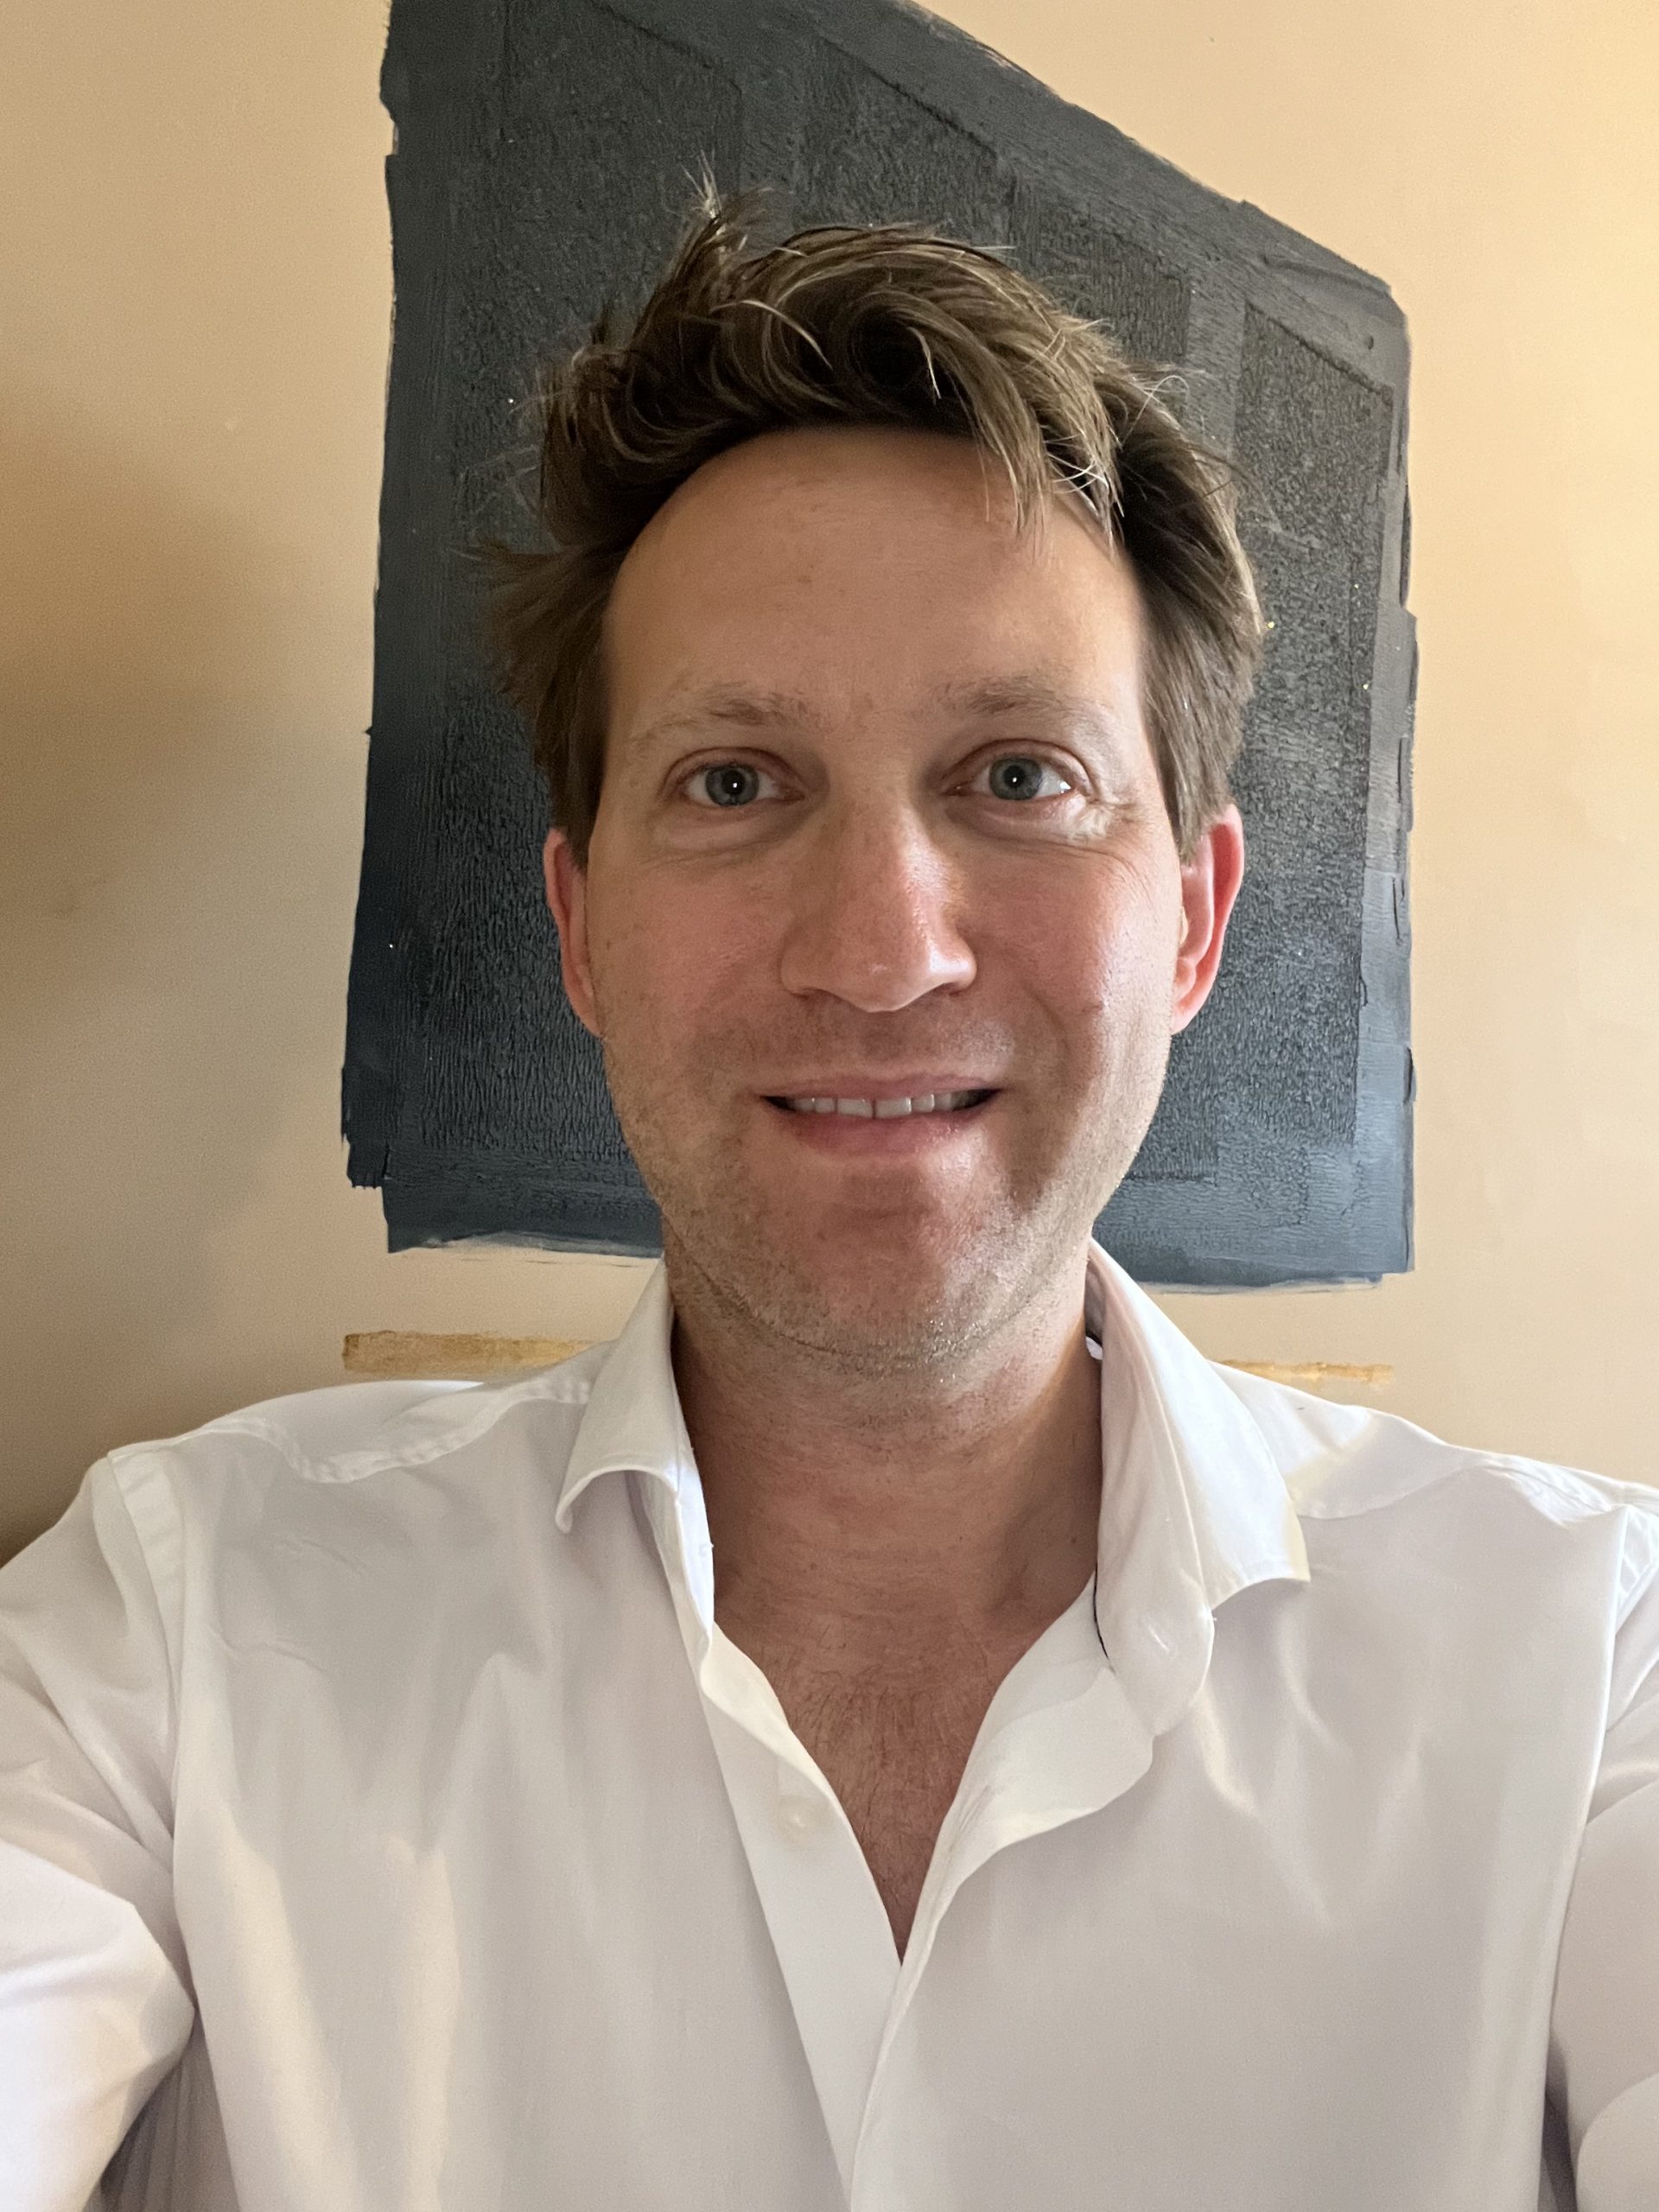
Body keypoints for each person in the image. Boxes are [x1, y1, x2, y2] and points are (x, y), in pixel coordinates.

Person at [2, 189, 1655, 2212]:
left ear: (1195, 919)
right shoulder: (171, 1632)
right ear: (582, 926)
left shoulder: (1591, 1662)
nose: (881, 952)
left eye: (1020, 774)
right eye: (733, 780)